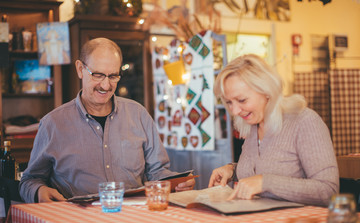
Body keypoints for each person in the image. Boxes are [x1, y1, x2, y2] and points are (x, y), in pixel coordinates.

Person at [20, 37, 195, 203]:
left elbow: (157, 172)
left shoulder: (139, 114)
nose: (106, 85)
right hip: (78, 222)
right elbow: (29, 180)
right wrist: (39, 191)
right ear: (80, 69)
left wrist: (176, 184)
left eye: (113, 76)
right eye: (98, 75)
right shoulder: (53, 124)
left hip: (135, 217)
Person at [208, 54, 339, 207]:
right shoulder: (252, 125)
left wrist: (266, 182)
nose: (235, 110)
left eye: (242, 100)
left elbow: (328, 191)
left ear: (266, 91)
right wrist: (232, 170)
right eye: (229, 102)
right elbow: (265, 166)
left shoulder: (304, 121)